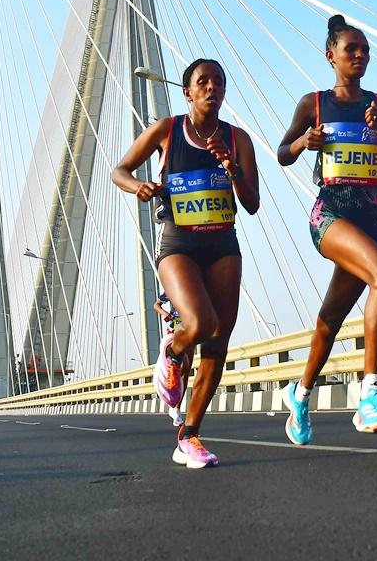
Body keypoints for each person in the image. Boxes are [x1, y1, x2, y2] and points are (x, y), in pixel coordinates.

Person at [277, 14, 377, 445]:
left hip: (371, 220)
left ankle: (299, 396)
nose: (360, 56)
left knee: (331, 319)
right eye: (351, 50)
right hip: (331, 216)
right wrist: (306, 143)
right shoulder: (313, 104)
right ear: (330, 56)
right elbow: (284, 152)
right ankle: (370, 395)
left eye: (365, 51)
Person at [111, 58, 260, 468]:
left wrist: (232, 169)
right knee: (197, 324)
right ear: (187, 92)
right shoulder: (167, 131)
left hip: (222, 244)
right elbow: (118, 169)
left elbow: (252, 203)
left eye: (218, 82)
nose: (212, 87)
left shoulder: (238, 139)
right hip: (178, 242)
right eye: (202, 81)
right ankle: (174, 353)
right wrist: (138, 185)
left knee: (217, 343)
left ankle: (189, 436)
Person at [153, 291, 187, 427]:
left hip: (190, 324)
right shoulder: (172, 288)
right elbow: (156, 305)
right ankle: (175, 408)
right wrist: (164, 313)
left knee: (186, 369)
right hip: (177, 325)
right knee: (179, 365)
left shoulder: (197, 284)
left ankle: (177, 408)